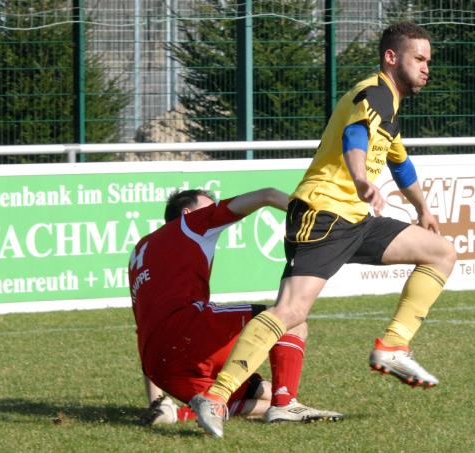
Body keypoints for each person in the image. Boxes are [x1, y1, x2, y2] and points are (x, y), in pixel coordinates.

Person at [188, 21, 457, 438]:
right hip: (325, 213)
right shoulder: (376, 92)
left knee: (440, 251)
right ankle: (216, 396)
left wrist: (422, 208)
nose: (427, 68)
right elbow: (355, 136)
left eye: (428, 61)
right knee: (291, 311)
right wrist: (362, 179)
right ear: (391, 57)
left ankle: (391, 346)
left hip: (354, 217)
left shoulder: (390, 106)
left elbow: (399, 161)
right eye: (419, 59)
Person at [129, 188, 343, 427]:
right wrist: (319, 217)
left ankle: (178, 413)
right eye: (209, 206)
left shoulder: (140, 249)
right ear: (187, 213)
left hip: (160, 364)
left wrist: (155, 398)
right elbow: (268, 195)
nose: (214, 211)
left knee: (264, 391)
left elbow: (143, 327)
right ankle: (285, 405)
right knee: (291, 318)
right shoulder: (192, 224)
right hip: (189, 332)